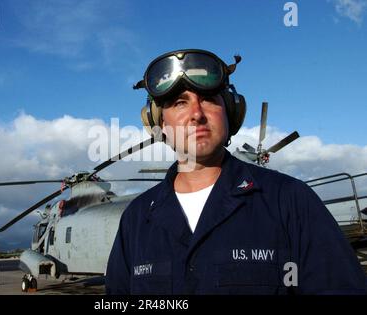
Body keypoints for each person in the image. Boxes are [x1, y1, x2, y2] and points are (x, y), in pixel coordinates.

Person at [105, 49, 366, 294]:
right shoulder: (136, 220)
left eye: (208, 99)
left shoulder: (290, 200)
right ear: (160, 124)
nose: (196, 114)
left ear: (231, 112)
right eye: (179, 103)